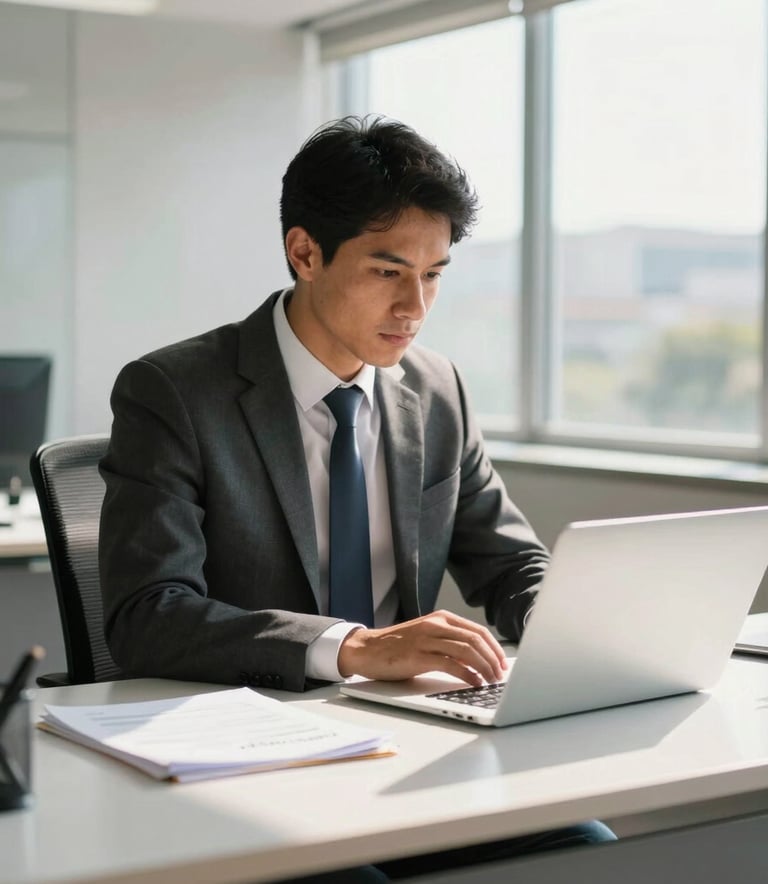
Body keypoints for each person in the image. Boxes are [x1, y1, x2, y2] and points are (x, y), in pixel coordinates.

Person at [99, 115, 615, 881]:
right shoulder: (174, 392)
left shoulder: (436, 390)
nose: (415, 306)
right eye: (387, 271)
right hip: (253, 748)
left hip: (410, 736)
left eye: (434, 274)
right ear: (305, 252)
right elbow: (149, 615)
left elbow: (510, 565)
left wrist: (568, 629)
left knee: (587, 848)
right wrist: (351, 648)